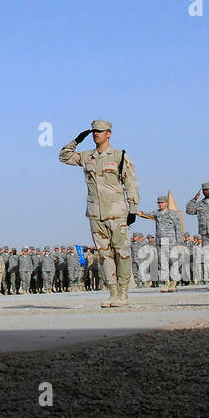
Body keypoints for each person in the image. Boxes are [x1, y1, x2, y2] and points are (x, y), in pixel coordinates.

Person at [59, 119, 139, 308]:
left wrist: (133, 208)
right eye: (94, 131)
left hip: (117, 211)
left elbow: (131, 183)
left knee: (122, 253)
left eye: (100, 131)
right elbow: (63, 157)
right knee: (105, 255)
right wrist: (77, 140)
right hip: (96, 213)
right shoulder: (87, 157)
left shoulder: (120, 156)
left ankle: (123, 293)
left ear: (109, 134)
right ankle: (112, 292)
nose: (96, 134)